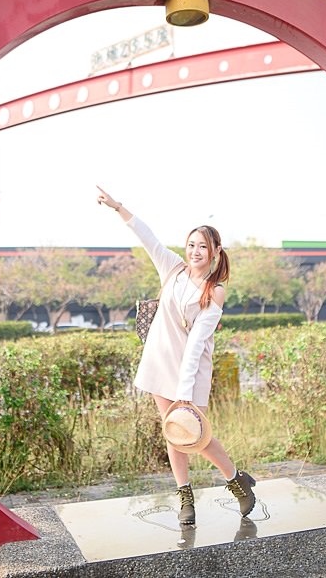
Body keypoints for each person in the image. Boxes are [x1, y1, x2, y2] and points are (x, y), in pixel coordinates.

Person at [96, 185, 257, 526]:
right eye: (192, 245)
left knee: (196, 435)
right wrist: (118, 207)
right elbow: (148, 237)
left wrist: (185, 392)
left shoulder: (215, 290)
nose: (196, 251)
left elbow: (198, 342)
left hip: (191, 370)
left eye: (203, 247)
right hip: (159, 361)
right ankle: (185, 496)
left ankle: (235, 480)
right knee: (174, 432)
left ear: (215, 252)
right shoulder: (173, 268)